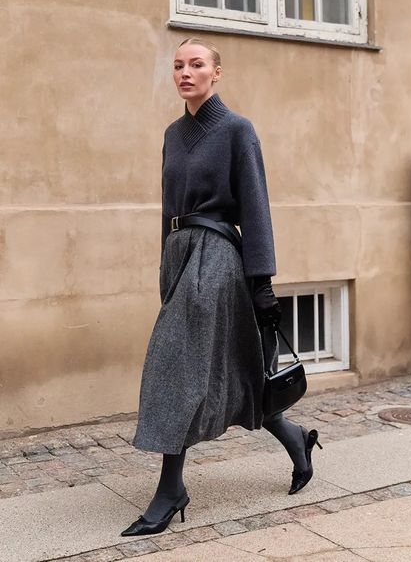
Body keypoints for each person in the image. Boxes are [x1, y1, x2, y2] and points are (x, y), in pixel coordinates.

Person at [121, 38, 320, 537]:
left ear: (217, 73)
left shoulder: (237, 130)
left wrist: (263, 284)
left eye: (197, 65)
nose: (185, 73)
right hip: (181, 255)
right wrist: (164, 268)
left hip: (217, 257)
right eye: (178, 66)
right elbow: (167, 209)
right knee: (235, 369)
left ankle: (171, 489)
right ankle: (295, 439)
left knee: (174, 365)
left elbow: (256, 208)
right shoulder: (173, 133)